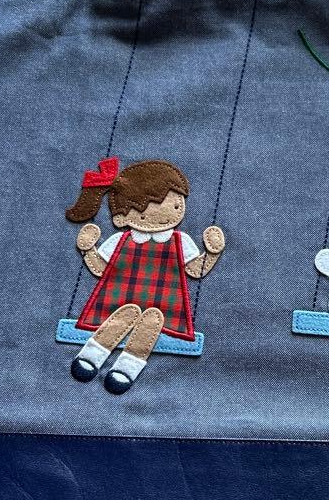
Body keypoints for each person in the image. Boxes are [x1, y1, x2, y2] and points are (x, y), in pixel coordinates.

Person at [65, 157, 225, 393]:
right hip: (117, 301)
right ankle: (90, 357)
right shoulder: (120, 240)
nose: (164, 213)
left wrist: (211, 253)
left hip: (162, 306)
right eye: (145, 210)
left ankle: (126, 370)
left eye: (175, 205)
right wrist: (88, 250)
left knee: (152, 320)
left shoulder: (180, 241)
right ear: (121, 219)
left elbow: (194, 269)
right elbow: (100, 268)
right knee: (127, 313)